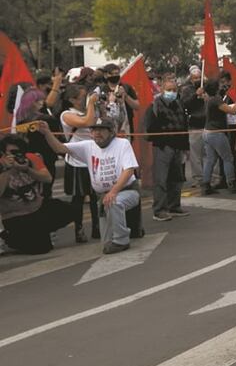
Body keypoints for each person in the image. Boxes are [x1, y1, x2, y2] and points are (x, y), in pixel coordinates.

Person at [37, 118, 140, 254]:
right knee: (106, 243)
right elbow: (59, 148)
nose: (97, 133)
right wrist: (46, 133)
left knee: (115, 203)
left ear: (111, 132)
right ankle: (120, 234)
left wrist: (114, 192)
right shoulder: (88, 146)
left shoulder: (122, 144)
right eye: (94, 130)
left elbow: (129, 170)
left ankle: (122, 240)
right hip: (103, 196)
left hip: (126, 191)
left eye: (101, 130)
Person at [0, 134, 77, 255]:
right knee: (41, 249)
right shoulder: (2, 165)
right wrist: (6, 170)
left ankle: (42, 232)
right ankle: (8, 239)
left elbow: (47, 178)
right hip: (15, 216)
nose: (16, 155)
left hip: (38, 208)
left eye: (19, 151)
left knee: (71, 210)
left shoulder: (30, 158)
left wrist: (27, 169)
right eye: (12, 152)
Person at [144, 75, 190, 221]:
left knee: (177, 179)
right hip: (163, 147)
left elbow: (183, 125)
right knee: (161, 179)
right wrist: (161, 140)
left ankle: (174, 206)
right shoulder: (155, 105)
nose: (172, 92)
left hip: (178, 147)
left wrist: (185, 147)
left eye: (174, 89)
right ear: (162, 89)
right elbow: (149, 127)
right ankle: (159, 210)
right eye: (169, 89)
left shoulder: (179, 104)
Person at [60, 83, 100, 242]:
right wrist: (91, 103)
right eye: (83, 97)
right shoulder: (67, 114)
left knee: (95, 196)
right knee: (78, 197)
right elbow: (87, 122)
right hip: (77, 161)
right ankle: (79, 229)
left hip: (93, 159)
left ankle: (97, 227)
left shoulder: (90, 109)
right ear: (72, 99)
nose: (86, 100)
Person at [200, 79, 236, 195]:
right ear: (216, 88)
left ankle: (206, 185)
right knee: (228, 158)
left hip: (207, 132)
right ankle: (231, 184)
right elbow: (233, 111)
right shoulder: (216, 100)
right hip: (216, 133)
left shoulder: (208, 100)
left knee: (210, 160)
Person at [180, 65, 208, 188]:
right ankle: (198, 178)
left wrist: (205, 96)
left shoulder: (207, 88)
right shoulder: (186, 89)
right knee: (195, 155)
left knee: (209, 154)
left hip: (208, 125)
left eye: (199, 77)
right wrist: (195, 95)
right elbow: (184, 104)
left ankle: (211, 177)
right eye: (195, 78)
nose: (197, 79)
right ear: (191, 79)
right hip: (194, 125)